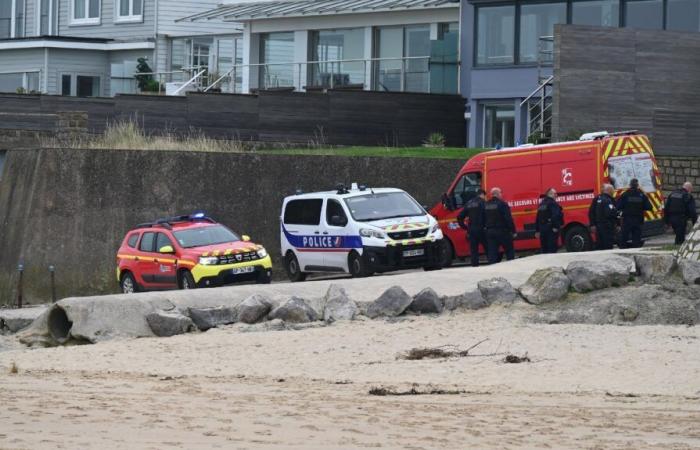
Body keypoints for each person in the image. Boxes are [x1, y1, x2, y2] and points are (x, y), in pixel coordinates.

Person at [616, 178, 652, 248]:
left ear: (630, 185)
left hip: (627, 220)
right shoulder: (642, 195)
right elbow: (649, 207)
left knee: (624, 237)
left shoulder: (625, 194)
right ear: (637, 185)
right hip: (638, 220)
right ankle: (636, 249)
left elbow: (618, 206)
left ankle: (623, 250)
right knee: (636, 238)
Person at [485, 187, 517, 264]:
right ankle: (511, 266)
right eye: (500, 193)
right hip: (503, 231)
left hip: (490, 232)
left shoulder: (486, 205)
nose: (501, 194)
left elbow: (483, 218)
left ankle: (492, 269)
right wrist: (513, 231)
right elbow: (508, 219)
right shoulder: (502, 204)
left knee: (492, 253)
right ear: (497, 194)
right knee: (509, 251)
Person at [457, 189, 487, 267]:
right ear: (482, 195)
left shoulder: (469, 203)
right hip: (482, 229)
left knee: (474, 250)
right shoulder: (483, 203)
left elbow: (460, 216)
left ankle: (475, 266)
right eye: (484, 196)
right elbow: (487, 215)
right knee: (488, 248)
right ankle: (492, 264)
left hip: (472, 230)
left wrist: (465, 227)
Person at [588, 184, 619, 250]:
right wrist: (617, 223)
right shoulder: (609, 200)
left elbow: (591, 212)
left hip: (599, 226)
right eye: (612, 190)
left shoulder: (598, 199)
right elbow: (614, 213)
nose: (613, 192)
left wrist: (592, 224)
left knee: (600, 245)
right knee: (607, 244)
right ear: (608, 190)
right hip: (607, 226)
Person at [535, 188, 563, 254]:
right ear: (549, 194)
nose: (556, 195)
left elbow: (538, 218)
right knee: (552, 250)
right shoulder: (553, 203)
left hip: (542, 230)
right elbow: (555, 216)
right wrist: (556, 227)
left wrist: (537, 230)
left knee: (545, 250)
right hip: (551, 230)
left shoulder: (542, 204)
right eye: (555, 194)